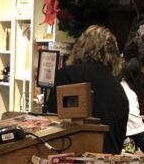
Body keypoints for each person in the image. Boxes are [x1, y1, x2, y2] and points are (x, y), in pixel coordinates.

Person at [42, 25, 128, 154]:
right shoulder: (118, 88)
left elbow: (53, 124)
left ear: (80, 47)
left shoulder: (67, 75)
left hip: (75, 163)